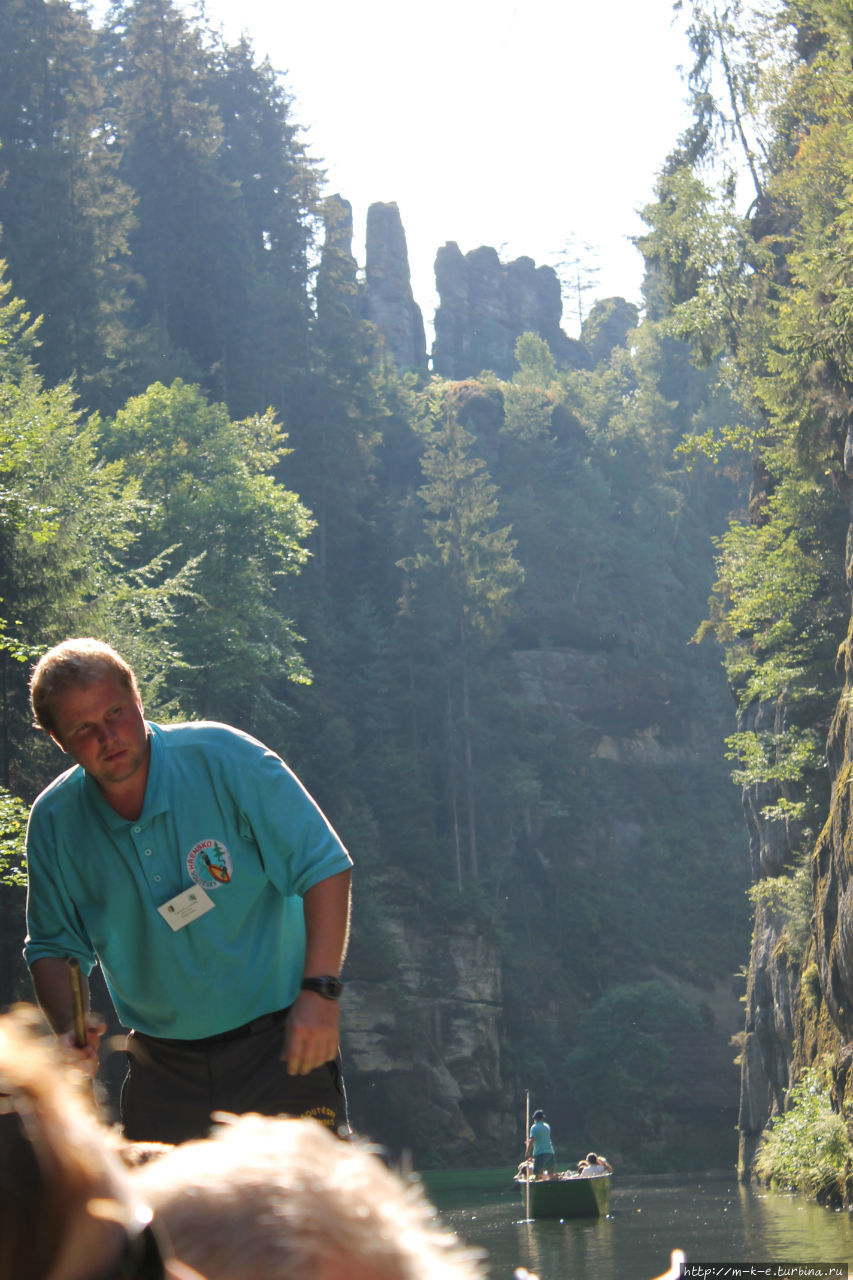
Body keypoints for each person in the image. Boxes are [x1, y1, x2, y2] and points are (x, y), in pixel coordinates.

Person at [23, 637, 353, 1145]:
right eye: (84, 728)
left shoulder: (225, 759)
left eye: (116, 712)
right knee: (164, 1225)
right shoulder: (54, 822)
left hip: (282, 1047)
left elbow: (323, 866)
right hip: (161, 1071)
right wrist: (70, 1026)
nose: (109, 736)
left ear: (138, 699)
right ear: (57, 739)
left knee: (305, 1222)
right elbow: (54, 947)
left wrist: (321, 992)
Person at [524, 1109, 556, 1180]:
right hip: (550, 1152)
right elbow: (543, 1138)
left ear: (535, 1119)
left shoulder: (534, 1127)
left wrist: (527, 1152)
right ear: (542, 1118)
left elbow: (532, 1140)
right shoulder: (547, 1127)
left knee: (538, 1175)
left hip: (540, 1153)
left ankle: (537, 1189)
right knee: (551, 1174)